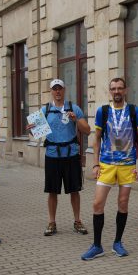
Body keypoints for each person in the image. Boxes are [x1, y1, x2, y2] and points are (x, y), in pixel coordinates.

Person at [81, 77, 138, 260]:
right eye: (113, 89)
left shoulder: (134, 111)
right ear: (110, 91)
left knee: (123, 203)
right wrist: (95, 164)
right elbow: (96, 139)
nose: (117, 91)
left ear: (125, 90)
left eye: (120, 88)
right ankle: (97, 245)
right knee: (97, 203)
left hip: (127, 165)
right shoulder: (103, 111)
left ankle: (117, 242)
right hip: (107, 164)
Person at [26, 79, 91, 236]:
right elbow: (35, 134)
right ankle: (52, 223)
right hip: (53, 155)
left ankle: (77, 221)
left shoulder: (73, 108)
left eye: (60, 88)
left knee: (75, 190)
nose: (57, 92)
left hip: (71, 155)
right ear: (51, 91)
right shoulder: (45, 110)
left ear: (64, 89)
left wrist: (76, 119)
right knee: (52, 191)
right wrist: (30, 130)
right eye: (55, 89)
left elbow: (87, 130)